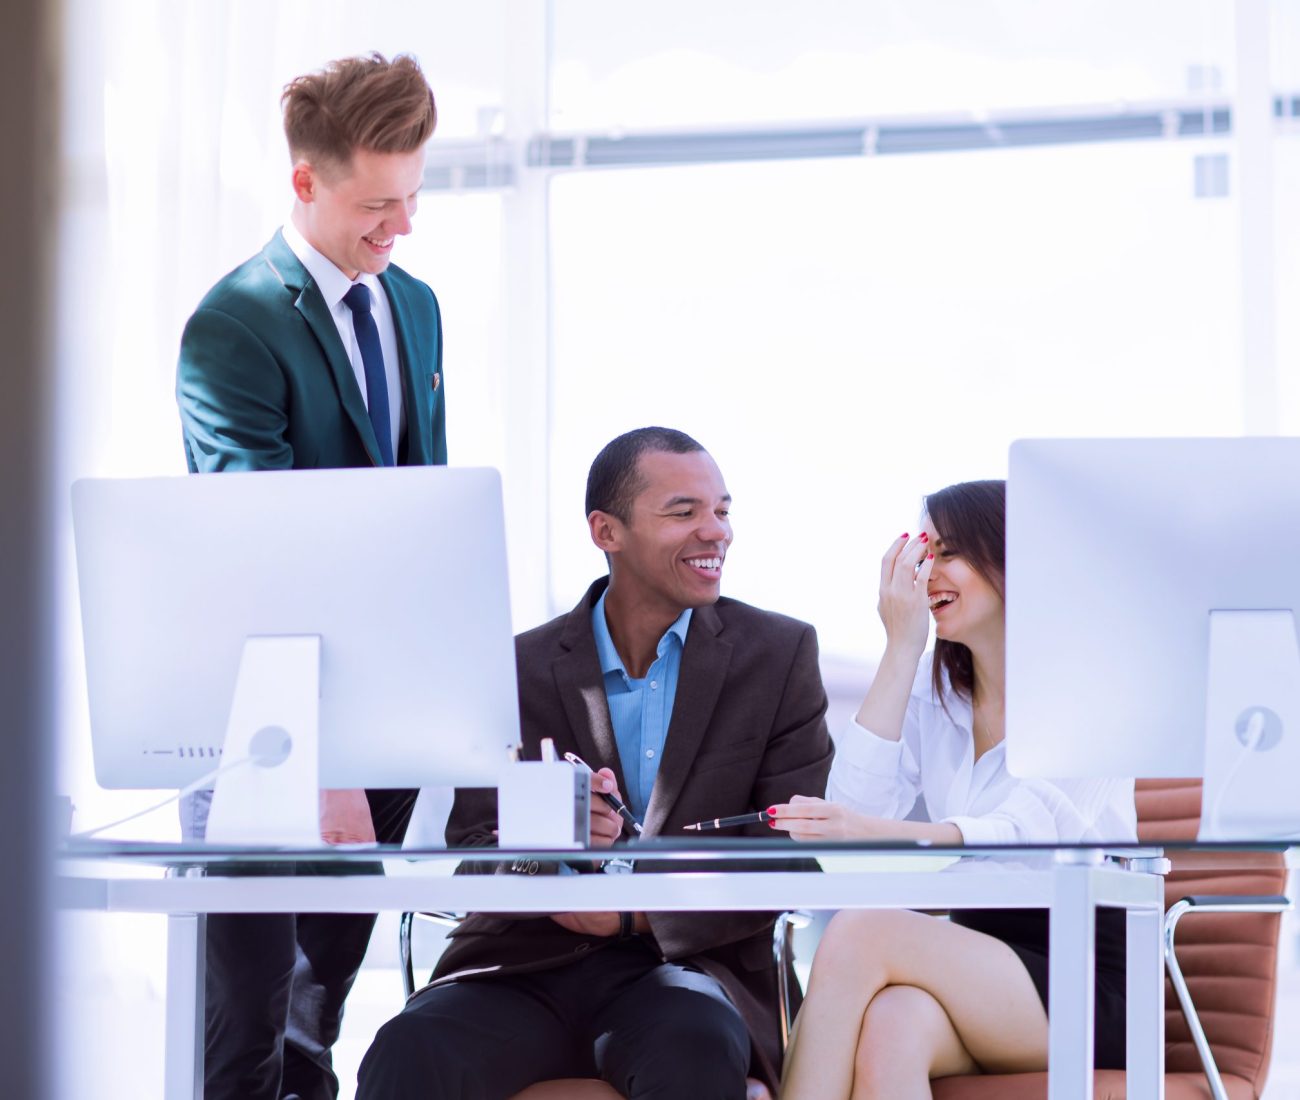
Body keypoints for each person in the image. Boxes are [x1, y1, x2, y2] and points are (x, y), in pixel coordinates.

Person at [356, 427, 835, 1100]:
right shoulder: (515, 667)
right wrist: (550, 847)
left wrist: (633, 916)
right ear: (606, 531)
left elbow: (787, 853)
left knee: (692, 1046)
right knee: (408, 1049)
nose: (715, 532)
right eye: (684, 512)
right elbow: (473, 850)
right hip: (520, 966)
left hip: (685, 966)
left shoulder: (778, 655)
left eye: (722, 510)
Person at [174, 53, 444, 1100]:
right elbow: (262, 545)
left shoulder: (412, 303)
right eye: (378, 203)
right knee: (247, 1010)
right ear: (305, 182)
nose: (401, 226)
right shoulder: (234, 323)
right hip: (265, 719)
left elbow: (419, 510)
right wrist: (322, 754)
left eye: (413, 198)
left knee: (322, 995)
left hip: (379, 711)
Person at [770, 480, 1136, 1099]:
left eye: (950, 553)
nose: (928, 572)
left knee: (862, 930)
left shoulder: (1092, 692)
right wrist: (902, 647)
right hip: (973, 963)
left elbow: (1027, 834)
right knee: (891, 1029)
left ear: (1014, 562)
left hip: (1085, 978)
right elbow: (846, 845)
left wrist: (877, 833)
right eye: (923, 552)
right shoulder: (936, 696)